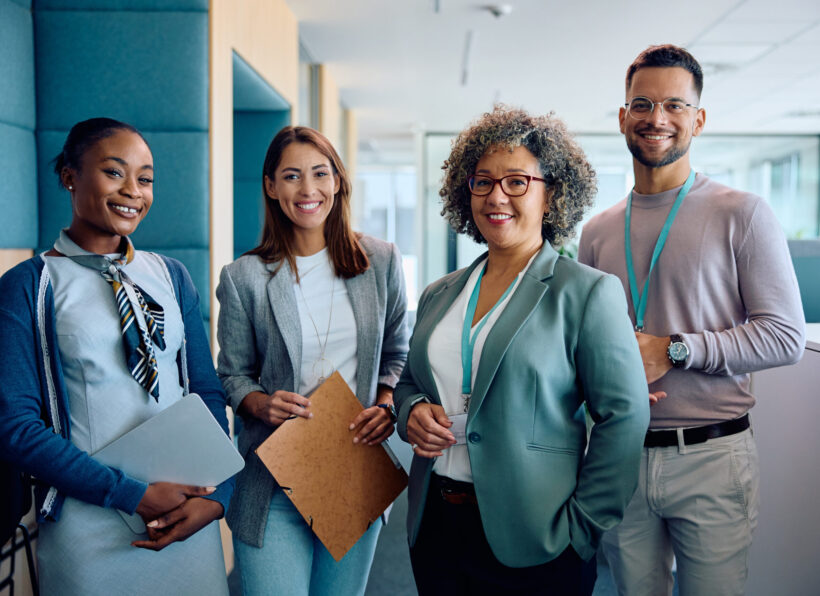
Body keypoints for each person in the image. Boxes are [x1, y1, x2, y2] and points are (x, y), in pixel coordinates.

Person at [578, 44, 806, 596]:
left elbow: (785, 336)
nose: (657, 118)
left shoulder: (741, 213)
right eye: (643, 104)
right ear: (623, 117)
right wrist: (608, 378)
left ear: (697, 119)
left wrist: (673, 350)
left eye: (675, 105)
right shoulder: (598, 230)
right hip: (621, 454)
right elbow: (586, 343)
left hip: (712, 456)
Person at [394, 106, 650, 595]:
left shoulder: (587, 292)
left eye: (516, 182)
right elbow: (410, 383)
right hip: (436, 526)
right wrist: (410, 411)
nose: (496, 196)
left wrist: (582, 527)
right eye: (482, 181)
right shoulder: (439, 293)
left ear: (551, 193)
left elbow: (625, 415)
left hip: (538, 534)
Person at [0, 118, 234, 595]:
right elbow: (16, 427)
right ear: (69, 175)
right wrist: (131, 495)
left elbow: (205, 392)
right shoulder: (28, 286)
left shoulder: (171, 276)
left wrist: (218, 498)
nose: (133, 191)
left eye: (145, 178)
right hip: (89, 523)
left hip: (186, 515)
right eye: (114, 172)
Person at [216, 125, 409, 595]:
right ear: (270, 186)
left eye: (319, 174)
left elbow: (398, 354)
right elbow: (232, 375)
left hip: (352, 468)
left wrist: (385, 403)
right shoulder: (245, 278)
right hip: (274, 477)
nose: (307, 190)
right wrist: (259, 404)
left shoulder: (379, 261)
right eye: (291, 176)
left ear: (338, 181)